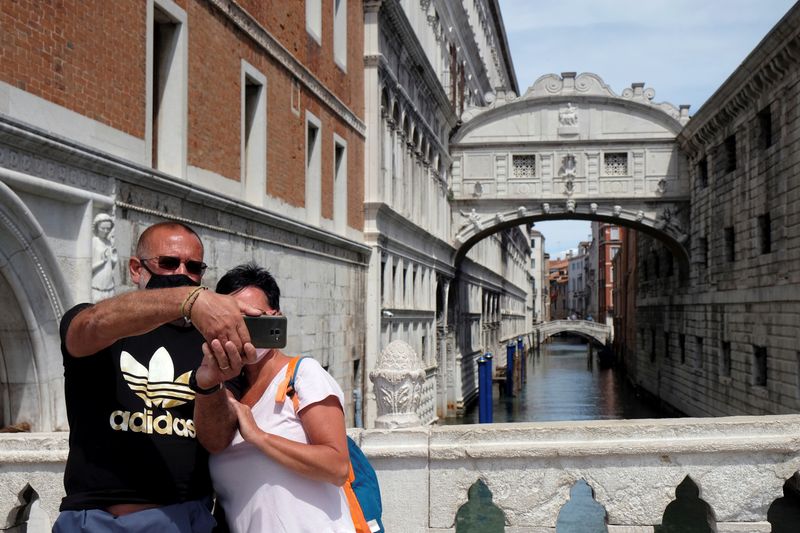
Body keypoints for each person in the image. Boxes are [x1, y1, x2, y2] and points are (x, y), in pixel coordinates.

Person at [54, 221, 263, 533]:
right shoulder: (104, 323)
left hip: (181, 518)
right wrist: (192, 300)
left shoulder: (213, 342)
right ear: (136, 270)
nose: (181, 274)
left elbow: (218, 440)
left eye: (193, 267)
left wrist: (209, 386)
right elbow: (90, 325)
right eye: (167, 263)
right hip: (94, 520)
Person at [194, 263, 354, 533]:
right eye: (234, 322)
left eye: (253, 319)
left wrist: (260, 437)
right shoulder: (226, 397)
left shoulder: (303, 374)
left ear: (275, 317)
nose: (243, 332)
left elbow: (337, 466)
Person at [91, 212, 118, 303]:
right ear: (96, 227)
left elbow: (112, 265)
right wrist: (101, 262)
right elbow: (88, 268)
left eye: (108, 228)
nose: (106, 231)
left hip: (109, 284)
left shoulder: (109, 243)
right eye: (103, 228)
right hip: (97, 285)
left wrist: (114, 257)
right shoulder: (94, 242)